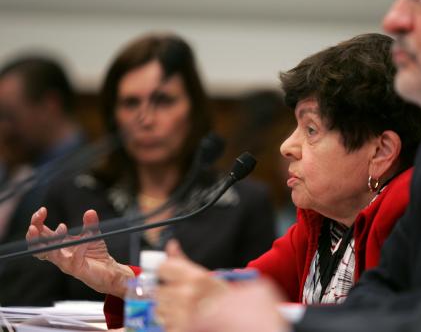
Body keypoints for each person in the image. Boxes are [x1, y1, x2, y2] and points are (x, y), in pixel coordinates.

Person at [176, 0, 421, 331]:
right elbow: (375, 299)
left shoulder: (405, 196)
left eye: (311, 130)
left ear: (381, 151)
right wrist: (127, 281)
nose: (394, 17)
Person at [22, 33, 276, 305]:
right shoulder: (72, 195)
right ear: (113, 115)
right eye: (131, 103)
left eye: (163, 100)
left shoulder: (244, 203)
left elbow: (259, 308)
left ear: (194, 111)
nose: (145, 119)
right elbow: (29, 306)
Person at [0, 56, 86, 305]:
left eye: (10, 115)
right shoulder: (24, 167)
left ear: (50, 105)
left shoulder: (86, 174)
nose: (3, 128)